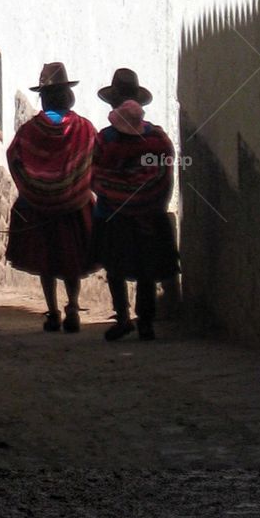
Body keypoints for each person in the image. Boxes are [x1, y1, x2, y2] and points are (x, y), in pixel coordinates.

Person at [6, 62, 97, 332]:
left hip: (38, 207)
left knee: (45, 259)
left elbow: (15, 157)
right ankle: (73, 306)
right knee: (72, 258)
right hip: (75, 205)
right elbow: (94, 155)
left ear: (44, 97)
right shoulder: (83, 127)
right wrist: (75, 184)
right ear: (67, 95)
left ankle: (53, 311)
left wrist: (33, 187)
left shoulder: (30, 130)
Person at [91, 68, 180, 342]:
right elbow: (164, 175)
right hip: (149, 217)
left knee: (114, 266)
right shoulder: (157, 137)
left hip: (113, 215)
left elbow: (95, 175)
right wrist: (146, 199)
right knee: (146, 269)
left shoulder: (105, 139)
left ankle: (123, 316)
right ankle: (146, 322)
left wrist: (117, 193)